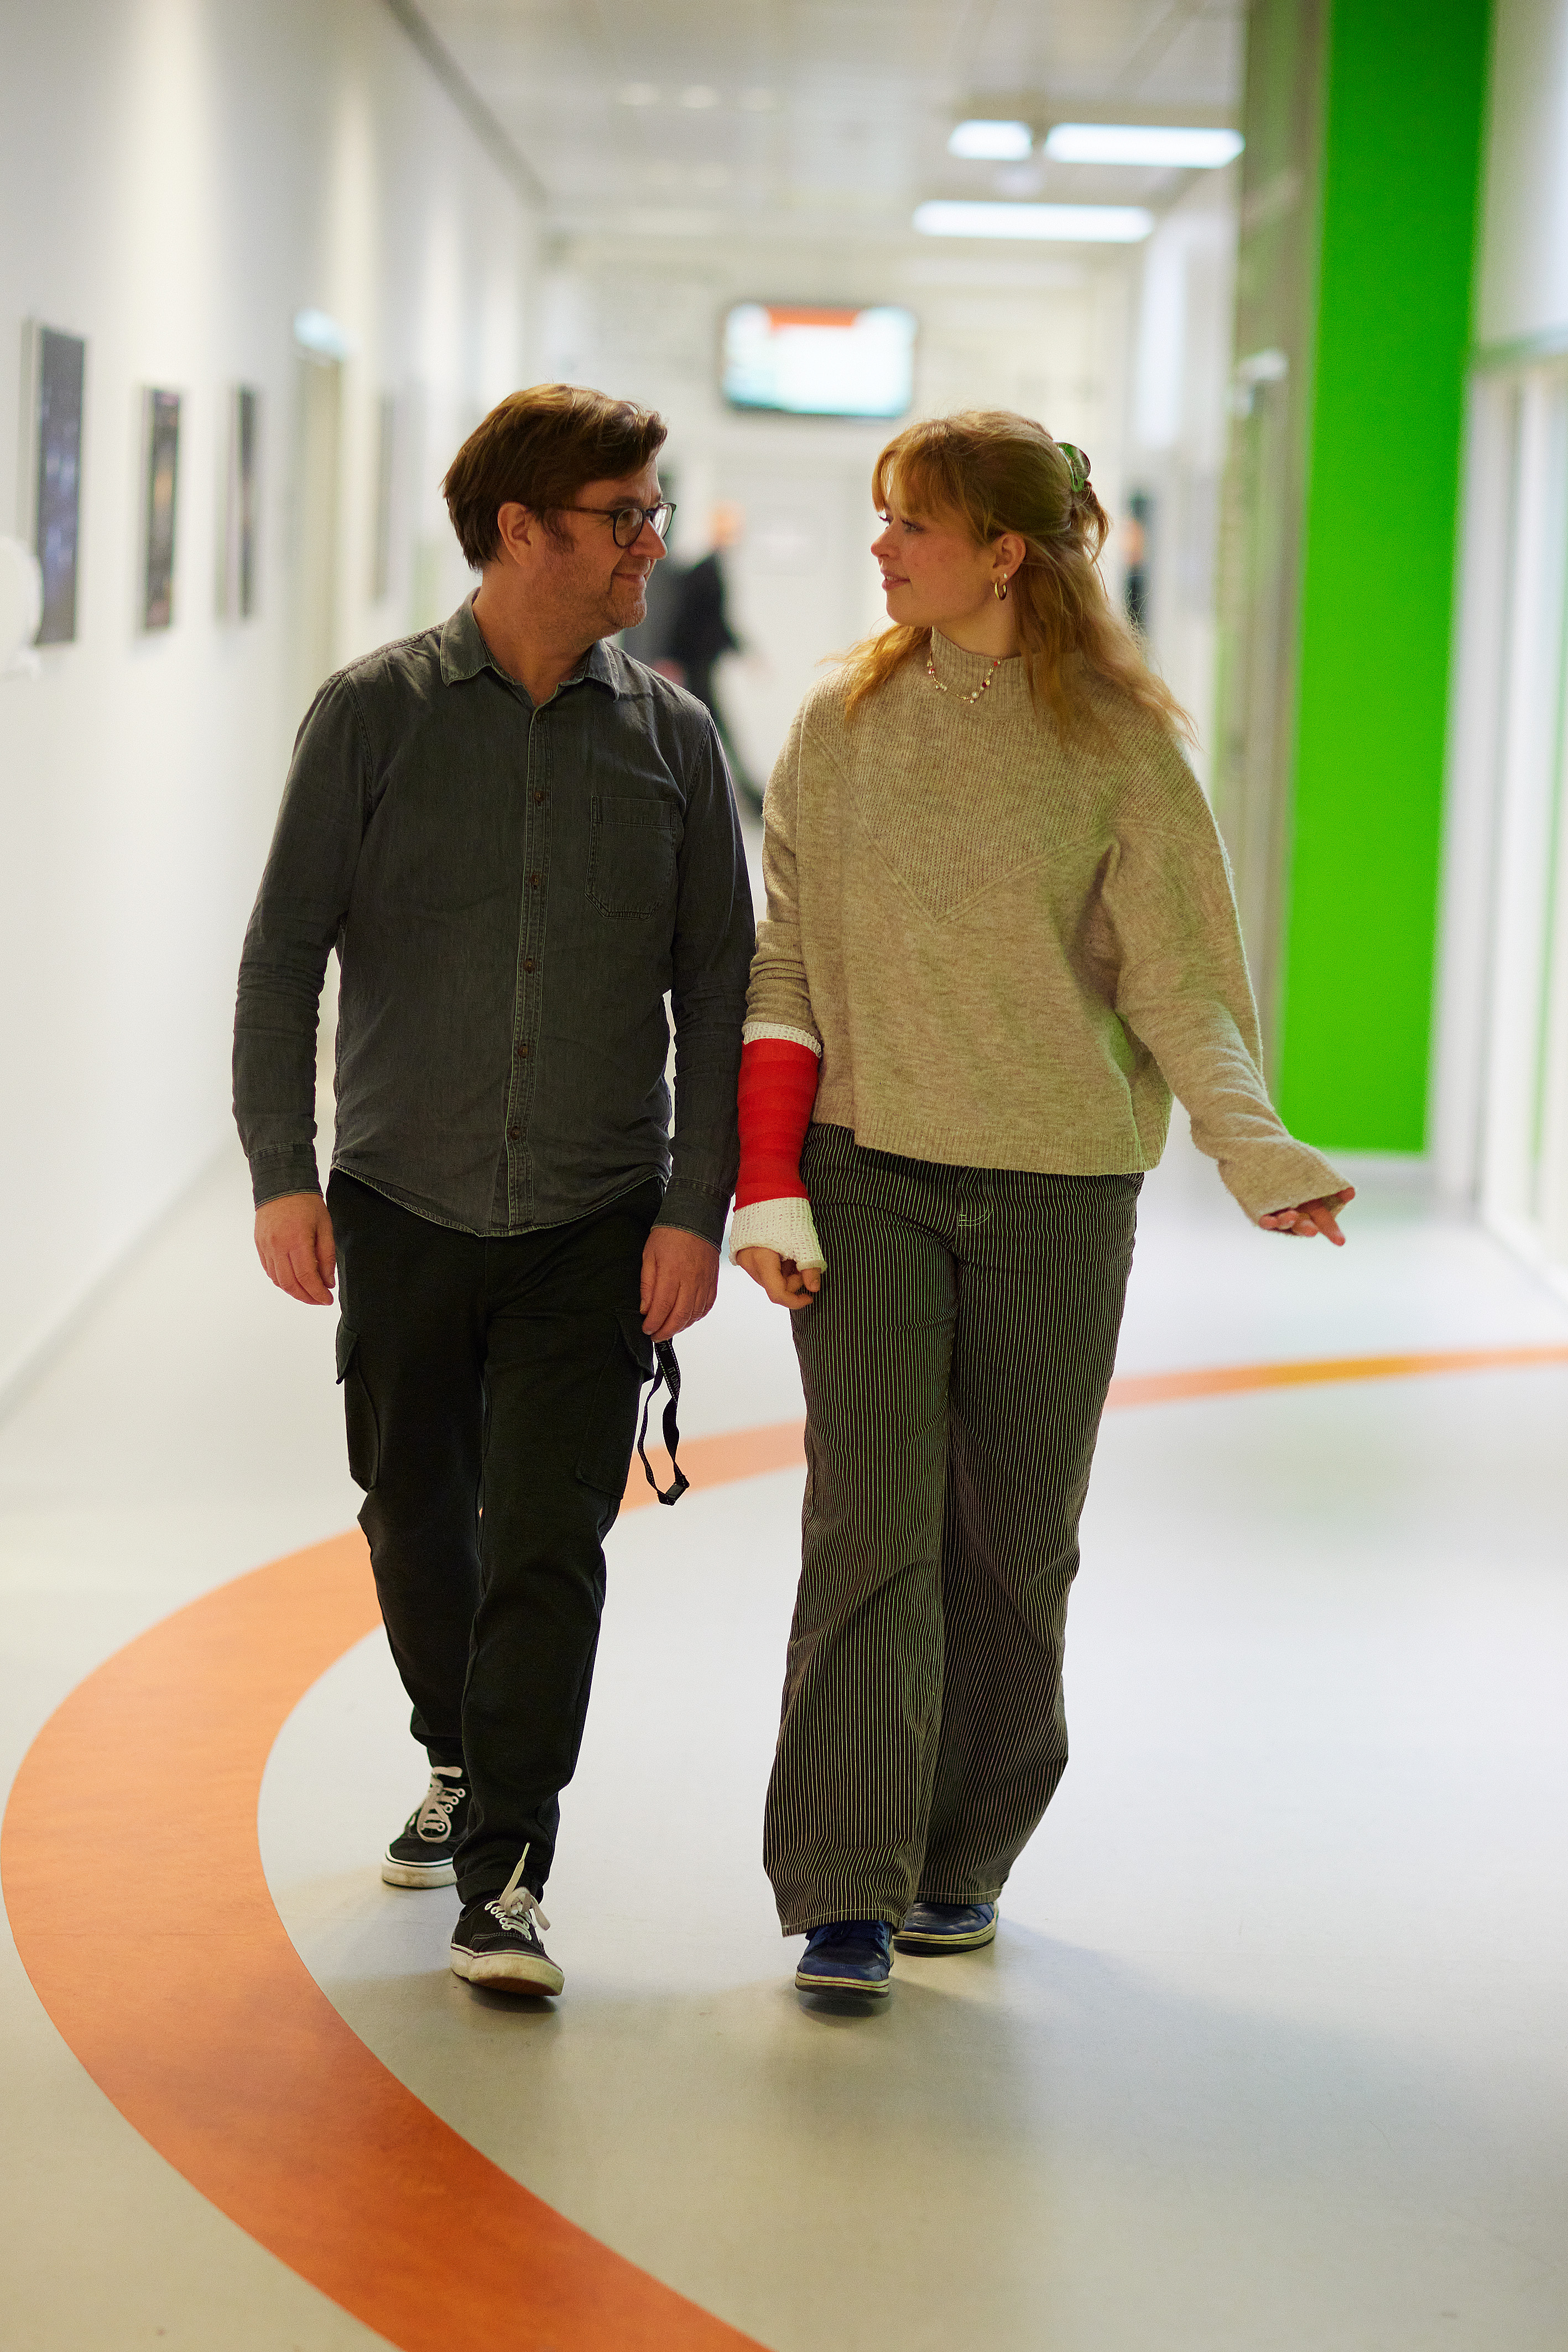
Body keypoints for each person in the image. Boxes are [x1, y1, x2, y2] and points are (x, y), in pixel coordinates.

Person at [730, 410, 1353, 2000]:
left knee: (1014, 1546)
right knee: (867, 1529)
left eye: (913, 524)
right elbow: (786, 963)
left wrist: (1256, 1148)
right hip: (868, 1171)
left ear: (1005, 551)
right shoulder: (840, 725)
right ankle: (846, 1887)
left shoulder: (1122, 748)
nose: (881, 548)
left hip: (1061, 1189)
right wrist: (768, 1182)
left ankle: (962, 1855)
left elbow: (1185, 985)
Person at [233, 384, 753, 1999]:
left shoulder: (674, 738)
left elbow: (720, 990)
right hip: (401, 1193)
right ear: (520, 530)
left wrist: (697, 1206)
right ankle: (457, 1751)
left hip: (595, 1212)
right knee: (412, 1512)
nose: (651, 542)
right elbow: (283, 956)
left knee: (548, 1537)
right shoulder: (371, 715)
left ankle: (510, 1869)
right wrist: (281, 1171)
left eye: (652, 512)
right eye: (623, 515)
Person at [665, 503, 760, 806]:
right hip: (696, 663)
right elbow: (689, 619)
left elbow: (716, 621)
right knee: (710, 727)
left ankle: (741, 795)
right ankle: (744, 796)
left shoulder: (712, 568)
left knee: (710, 727)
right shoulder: (705, 570)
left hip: (701, 663)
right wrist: (671, 658)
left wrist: (745, 651)